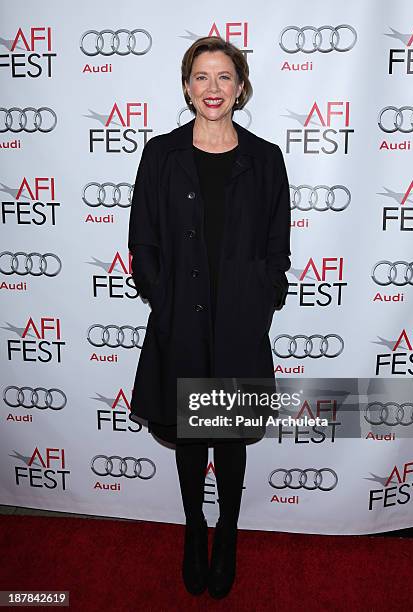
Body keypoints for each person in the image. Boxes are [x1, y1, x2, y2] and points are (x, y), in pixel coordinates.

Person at [128, 36, 291, 598]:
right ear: (186, 86)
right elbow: (142, 242)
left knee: (231, 439)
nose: (213, 88)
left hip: (241, 323)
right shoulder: (162, 154)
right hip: (183, 323)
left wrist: (263, 295)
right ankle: (194, 528)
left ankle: (228, 532)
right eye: (202, 77)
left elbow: (278, 246)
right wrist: (163, 297)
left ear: (241, 86)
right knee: (193, 437)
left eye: (224, 77)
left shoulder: (266, 159)